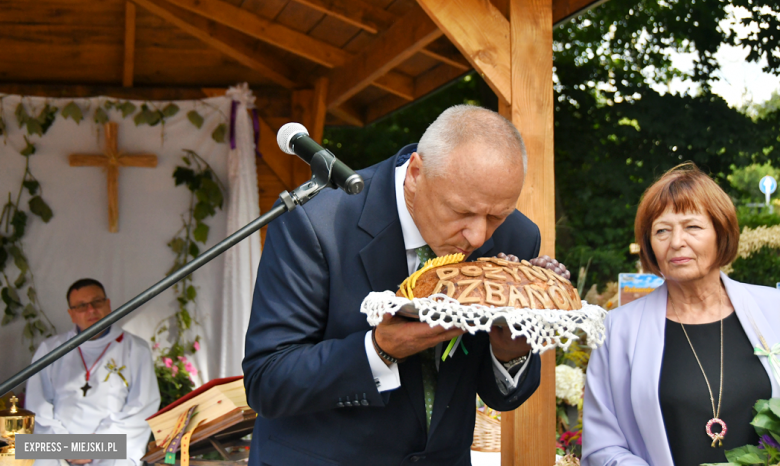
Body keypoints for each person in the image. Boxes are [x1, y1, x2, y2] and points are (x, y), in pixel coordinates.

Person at [243, 105, 553, 465]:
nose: (478, 235)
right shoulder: (317, 223)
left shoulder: (517, 236)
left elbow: (501, 396)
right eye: (461, 212)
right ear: (416, 174)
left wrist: (511, 350)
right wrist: (377, 350)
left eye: (497, 216)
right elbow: (267, 381)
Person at [582, 163, 780, 466]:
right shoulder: (618, 330)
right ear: (649, 243)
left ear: (720, 232)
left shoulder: (773, 309)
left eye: (693, 227)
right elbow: (602, 448)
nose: (676, 242)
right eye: (662, 230)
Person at [26, 279, 161, 466]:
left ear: (108, 304)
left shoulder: (136, 349)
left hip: (112, 445)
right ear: (71, 314)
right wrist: (68, 448)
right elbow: (37, 406)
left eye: (97, 302)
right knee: (31, 452)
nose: (91, 310)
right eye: (81, 306)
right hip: (58, 446)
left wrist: (95, 447)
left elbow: (142, 407)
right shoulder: (50, 350)